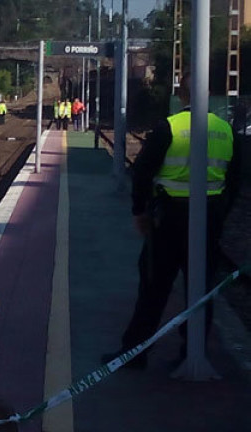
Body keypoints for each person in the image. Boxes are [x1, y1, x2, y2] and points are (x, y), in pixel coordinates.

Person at [104, 73, 237, 369]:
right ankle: (192, 352)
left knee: (153, 287)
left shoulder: (170, 127)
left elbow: (142, 172)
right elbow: (234, 181)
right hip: (209, 217)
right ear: (211, 94)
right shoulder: (225, 130)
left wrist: (139, 211)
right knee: (200, 287)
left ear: (183, 95)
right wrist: (220, 213)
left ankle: (135, 353)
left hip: (168, 219)